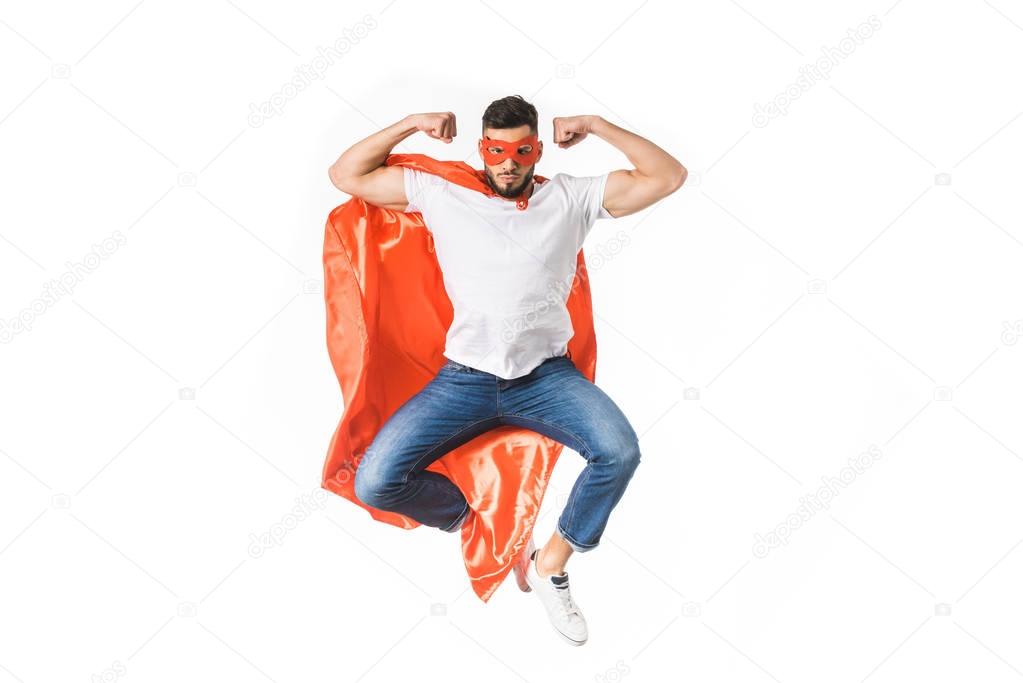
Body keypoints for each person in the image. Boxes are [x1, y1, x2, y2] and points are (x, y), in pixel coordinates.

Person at [327, 95, 686, 646]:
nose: (508, 163)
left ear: (538, 150)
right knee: (377, 480)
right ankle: (488, 529)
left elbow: (667, 176)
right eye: (497, 151)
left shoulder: (571, 197)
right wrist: (409, 124)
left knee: (619, 451)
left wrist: (595, 124)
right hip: (464, 380)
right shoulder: (442, 193)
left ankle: (550, 565)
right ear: (482, 150)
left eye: (521, 151)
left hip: (547, 380)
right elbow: (345, 174)